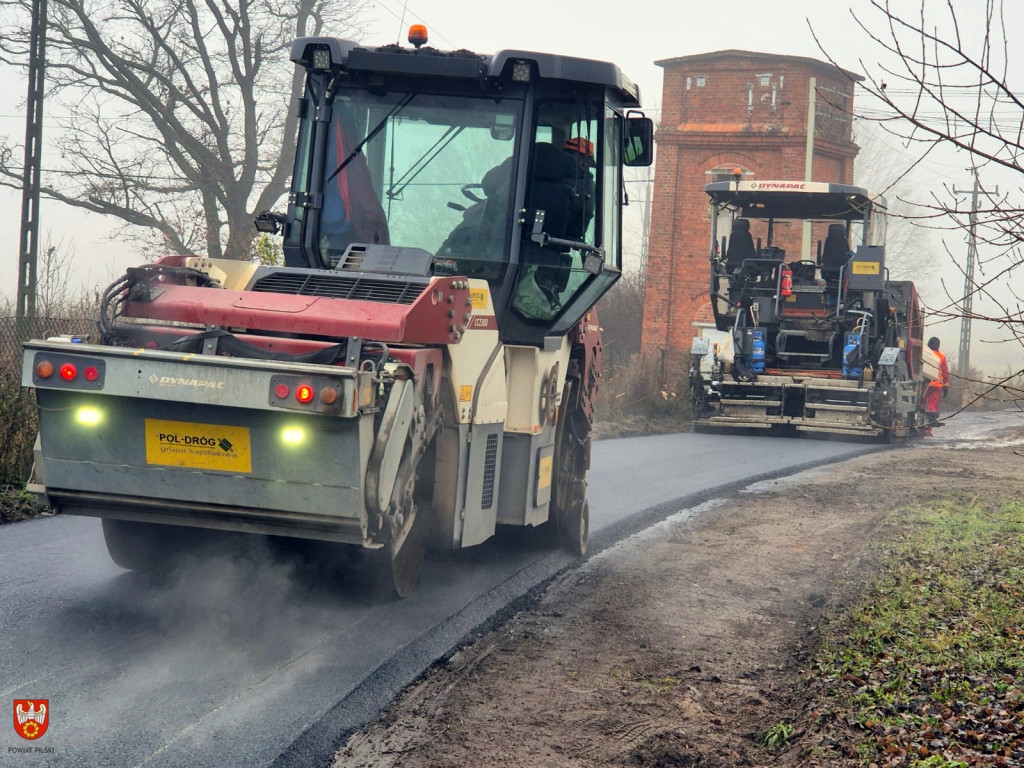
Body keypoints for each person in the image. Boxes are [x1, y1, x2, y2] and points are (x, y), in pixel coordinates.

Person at [922, 336, 949, 435]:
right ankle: (927, 430)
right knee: (932, 407)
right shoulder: (941, 357)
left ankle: (919, 426)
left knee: (921, 404)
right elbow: (945, 373)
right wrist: (946, 387)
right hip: (937, 386)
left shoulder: (924, 354)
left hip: (924, 384)